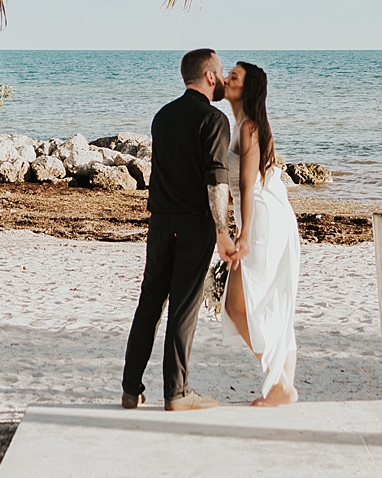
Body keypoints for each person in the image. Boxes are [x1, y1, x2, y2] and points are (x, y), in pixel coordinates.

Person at [121, 47, 235, 411]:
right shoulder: (214, 120)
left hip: (160, 222)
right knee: (184, 308)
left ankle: (130, 389)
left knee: (149, 304)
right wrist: (222, 231)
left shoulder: (162, 116)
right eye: (220, 70)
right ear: (208, 76)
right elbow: (216, 182)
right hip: (194, 225)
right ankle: (177, 392)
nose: (223, 76)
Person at [220, 60, 300, 405]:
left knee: (237, 305)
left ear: (245, 89)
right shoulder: (240, 124)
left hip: (264, 217)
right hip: (266, 213)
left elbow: (247, 186)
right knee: (271, 301)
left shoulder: (249, 127)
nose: (226, 78)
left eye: (233, 76)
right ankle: (281, 388)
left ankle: (281, 382)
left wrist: (244, 234)